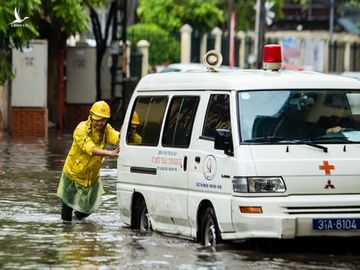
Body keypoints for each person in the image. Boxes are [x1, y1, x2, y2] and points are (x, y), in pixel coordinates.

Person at [57, 100, 120, 222]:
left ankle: (77, 220)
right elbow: (90, 148)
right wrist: (110, 153)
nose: (100, 123)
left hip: (91, 177)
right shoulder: (81, 129)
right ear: (91, 116)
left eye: (103, 120)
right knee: (66, 214)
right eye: (97, 119)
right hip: (73, 174)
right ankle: (67, 233)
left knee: (90, 208)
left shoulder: (106, 129)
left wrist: (122, 136)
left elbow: (114, 136)